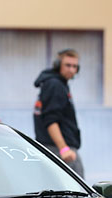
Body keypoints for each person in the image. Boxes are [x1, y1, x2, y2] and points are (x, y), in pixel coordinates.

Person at [33, 49, 84, 178]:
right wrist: (64, 149)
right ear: (57, 65)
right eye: (68, 65)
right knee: (77, 189)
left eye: (74, 66)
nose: (71, 70)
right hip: (59, 151)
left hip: (54, 149)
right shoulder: (55, 85)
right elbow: (51, 120)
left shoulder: (55, 83)